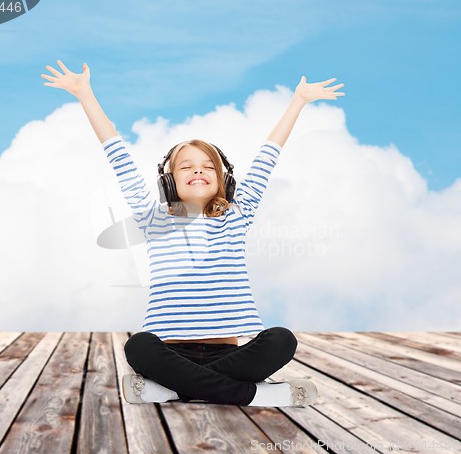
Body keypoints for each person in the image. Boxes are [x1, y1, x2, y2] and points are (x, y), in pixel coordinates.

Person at [41, 60, 344, 407]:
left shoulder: (237, 214)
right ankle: (255, 396)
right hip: (171, 356)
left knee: (281, 340)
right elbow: (118, 155)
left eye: (207, 166)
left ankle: (173, 392)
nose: (197, 170)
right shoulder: (152, 218)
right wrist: (85, 94)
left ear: (223, 179)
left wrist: (299, 101)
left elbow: (267, 157)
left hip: (231, 357)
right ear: (169, 180)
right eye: (186, 166)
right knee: (137, 346)